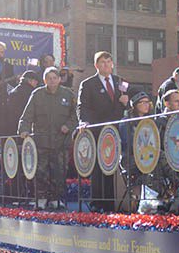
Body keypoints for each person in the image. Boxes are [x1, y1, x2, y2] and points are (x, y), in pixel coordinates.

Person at [77, 51, 129, 212]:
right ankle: (97, 203)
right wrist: (83, 121)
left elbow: (129, 100)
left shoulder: (120, 81)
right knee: (99, 166)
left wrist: (127, 102)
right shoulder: (88, 84)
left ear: (112, 64)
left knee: (113, 164)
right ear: (96, 65)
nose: (106, 65)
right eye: (102, 62)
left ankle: (111, 202)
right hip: (98, 129)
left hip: (115, 129)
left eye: (108, 61)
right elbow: (82, 106)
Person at [18, 67, 77, 209]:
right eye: (49, 78)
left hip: (61, 141)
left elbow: (75, 116)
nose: (52, 81)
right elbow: (27, 115)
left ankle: (56, 198)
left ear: (59, 79)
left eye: (54, 78)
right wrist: (24, 130)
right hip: (41, 141)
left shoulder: (68, 94)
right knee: (41, 172)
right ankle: (42, 198)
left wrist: (68, 126)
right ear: (44, 80)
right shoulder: (37, 94)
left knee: (60, 172)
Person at [119, 92, 153, 211]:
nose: (146, 105)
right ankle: (141, 202)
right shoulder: (126, 122)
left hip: (149, 157)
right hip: (131, 158)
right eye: (142, 102)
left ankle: (156, 200)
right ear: (135, 105)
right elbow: (127, 144)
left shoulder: (151, 121)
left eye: (148, 102)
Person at [7, 70, 40, 135]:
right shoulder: (32, 93)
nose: (37, 83)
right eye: (35, 81)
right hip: (26, 127)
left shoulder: (13, 92)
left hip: (12, 125)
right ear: (30, 81)